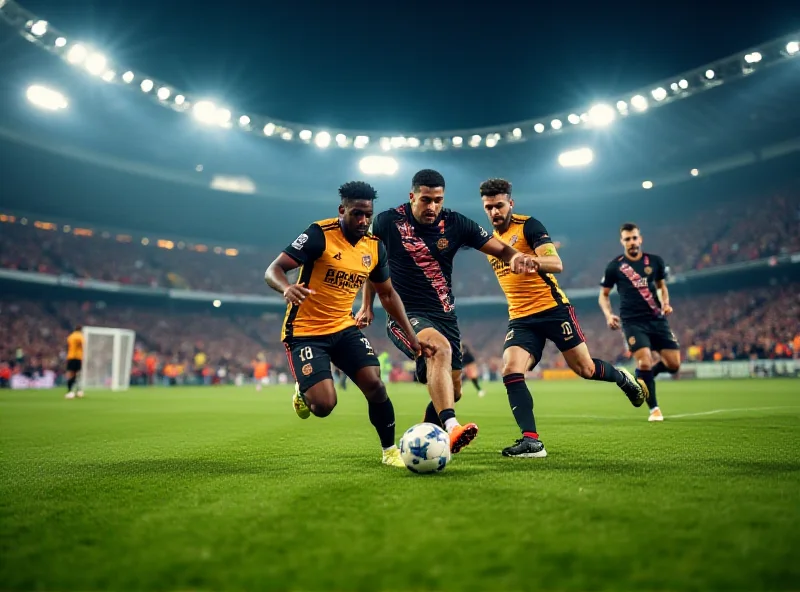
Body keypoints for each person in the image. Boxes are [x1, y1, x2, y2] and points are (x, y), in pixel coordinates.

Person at [355, 169, 537, 454]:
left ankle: (420, 443)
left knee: (455, 391)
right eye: (425, 200)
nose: (432, 207)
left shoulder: (455, 222)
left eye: (437, 200)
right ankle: (452, 429)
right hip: (406, 314)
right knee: (438, 349)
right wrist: (367, 305)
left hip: (445, 315)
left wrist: (518, 258)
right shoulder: (388, 222)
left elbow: (499, 249)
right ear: (412, 196)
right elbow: (370, 263)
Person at [265, 181, 432, 468]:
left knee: (375, 385)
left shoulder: (374, 247)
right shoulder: (319, 234)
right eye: (356, 214)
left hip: (343, 327)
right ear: (342, 210)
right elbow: (274, 269)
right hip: (306, 333)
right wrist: (285, 288)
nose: (363, 221)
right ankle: (304, 392)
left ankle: (389, 451)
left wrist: (413, 338)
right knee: (324, 406)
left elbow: (388, 294)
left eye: (368, 214)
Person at [480, 179, 648, 457]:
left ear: (511, 203)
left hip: (552, 309)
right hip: (521, 317)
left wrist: (529, 260)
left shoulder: (529, 226)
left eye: (499, 205)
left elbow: (556, 263)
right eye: (489, 207)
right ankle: (531, 441)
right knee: (510, 369)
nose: (495, 211)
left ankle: (622, 378)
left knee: (585, 370)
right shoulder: (487, 239)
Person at [599, 222, 681, 422]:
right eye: (627, 239)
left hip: (657, 319)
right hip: (632, 322)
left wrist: (666, 303)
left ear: (640, 238)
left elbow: (661, 286)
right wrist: (609, 315)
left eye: (634, 238)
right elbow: (603, 295)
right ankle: (654, 409)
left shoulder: (655, 261)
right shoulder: (615, 266)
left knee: (674, 364)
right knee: (644, 360)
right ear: (622, 241)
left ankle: (645, 377)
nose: (632, 242)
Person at [65, 325, 84, 399]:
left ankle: (71, 391)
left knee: (71, 374)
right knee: (76, 374)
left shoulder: (70, 336)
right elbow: (81, 344)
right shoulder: (80, 336)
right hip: (77, 357)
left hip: (70, 356)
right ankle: (76, 391)